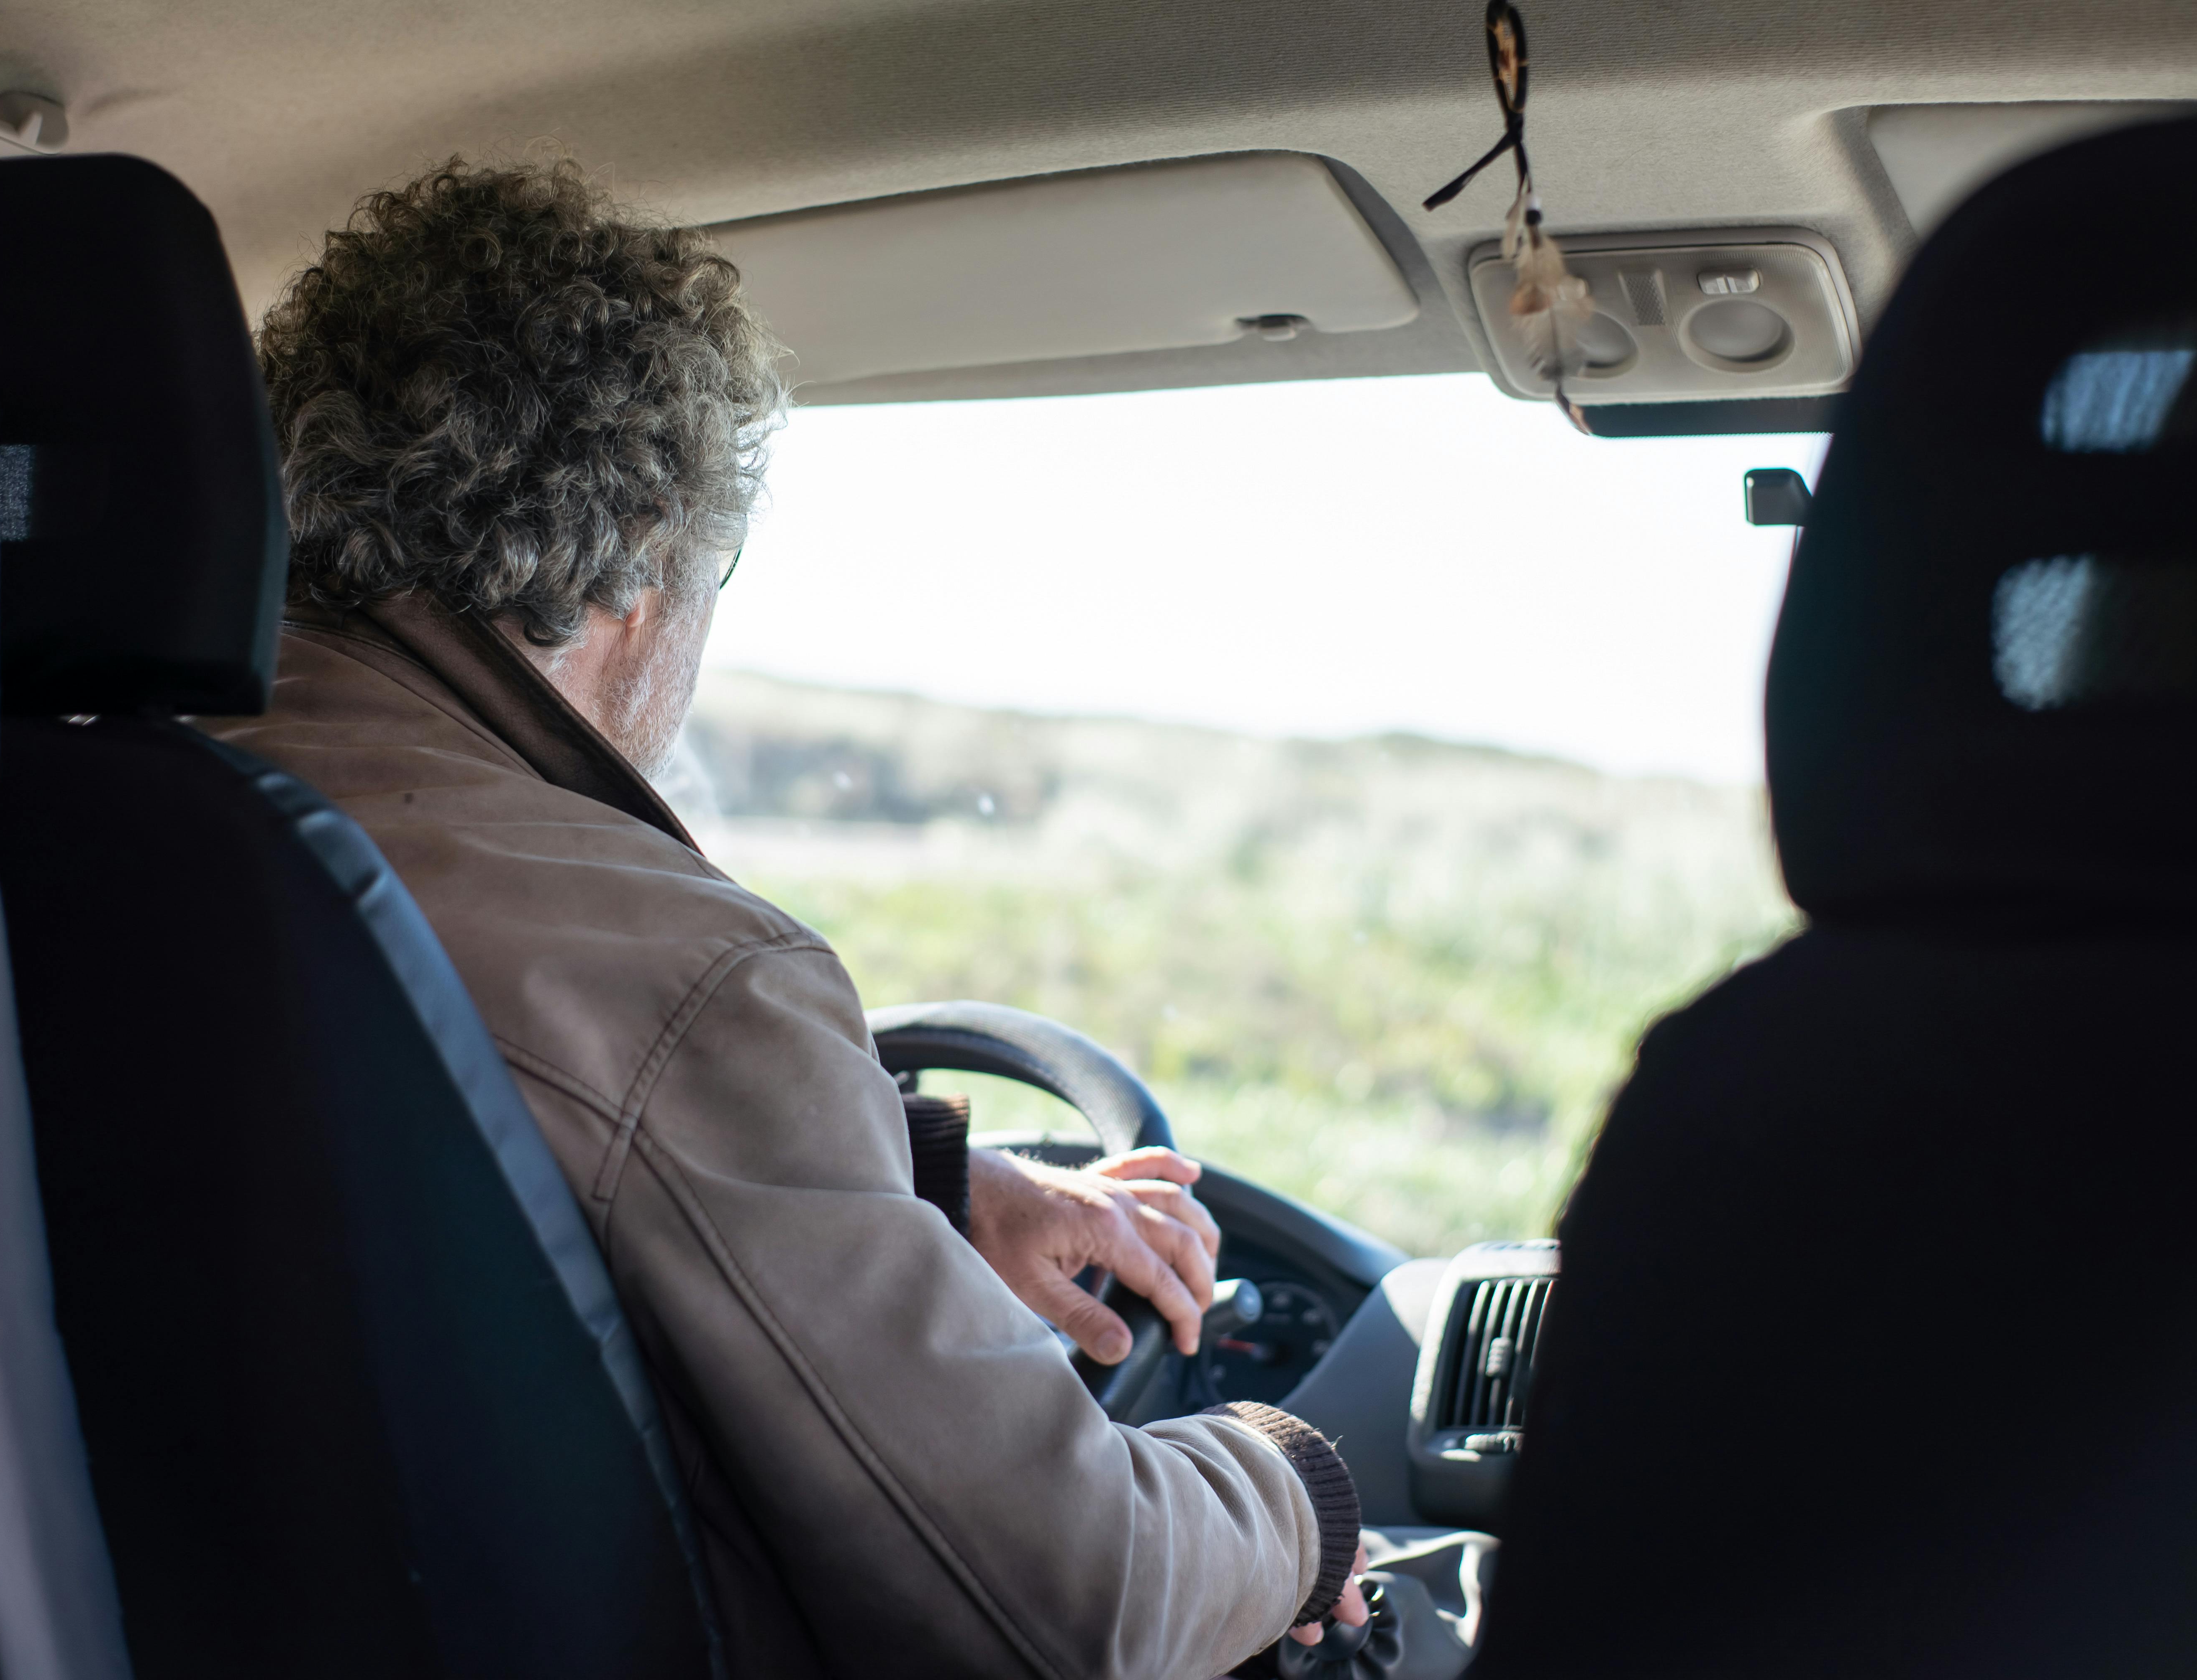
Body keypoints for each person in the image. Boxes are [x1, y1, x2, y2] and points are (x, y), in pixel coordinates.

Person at [210, 156, 1368, 1679]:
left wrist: (923, 1177)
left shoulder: (101, 803)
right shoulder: (688, 977)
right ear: (644, 562)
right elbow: (1068, 1610)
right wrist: (1296, 1489)